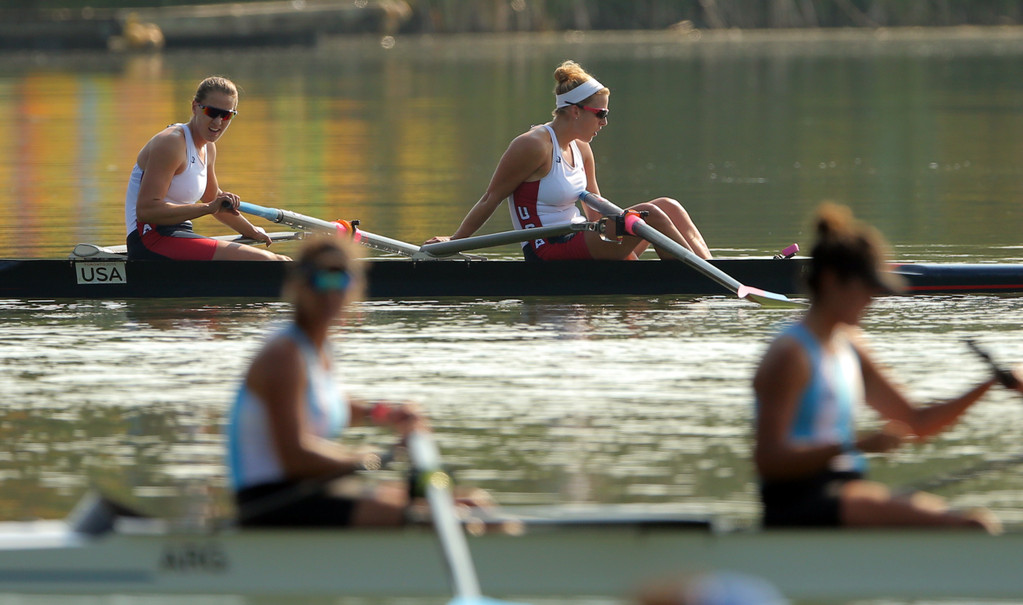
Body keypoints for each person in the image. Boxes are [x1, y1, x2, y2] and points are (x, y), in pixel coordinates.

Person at [752, 203, 1014, 533]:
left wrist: (990, 383)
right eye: (866, 287)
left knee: (968, 521)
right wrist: (854, 444)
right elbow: (769, 461)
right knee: (971, 525)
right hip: (794, 506)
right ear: (832, 281)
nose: (873, 298)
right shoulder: (790, 354)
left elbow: (917, 422)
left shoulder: (851, 346)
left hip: (842, 494)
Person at [425, 60, 711, 261]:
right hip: (548, 248)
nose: (605, 122)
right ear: (575, 112)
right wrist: (455, 241)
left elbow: (595, 206)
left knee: (667, 206)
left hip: (582, 239)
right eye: (601, 114)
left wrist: (616, 241)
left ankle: (718, 271)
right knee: (653, 215)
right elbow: (491, 198)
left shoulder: (582, 147)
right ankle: (704, 283)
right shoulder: (532, 146)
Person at [227, 237, 424, 526]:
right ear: (300, 285)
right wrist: (373, 458)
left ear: (353, 287)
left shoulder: (317, 348)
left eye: (340, 280)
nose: (331, 292)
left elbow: (330, 405)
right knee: (432, 514)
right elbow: (295, 456)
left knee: (464, 503)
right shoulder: (284, 355)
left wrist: (387, 413)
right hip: (269, 503)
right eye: (321, 279)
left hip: (306, 490)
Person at [124, 76, 288, 261]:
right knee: (271, 262)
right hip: (149, 240)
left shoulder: (208, 147)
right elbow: (147, 211)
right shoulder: (171, 143)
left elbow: (212, 197)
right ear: (195, 107)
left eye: (226, 115)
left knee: (283, 261)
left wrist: (252, 231)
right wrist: (208, 208)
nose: (218, 122)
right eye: (212, 112)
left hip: (178, 234)